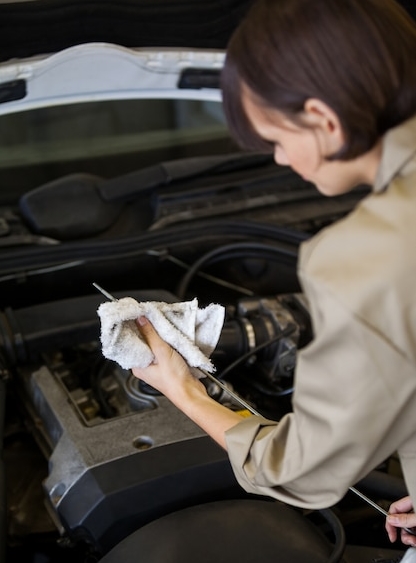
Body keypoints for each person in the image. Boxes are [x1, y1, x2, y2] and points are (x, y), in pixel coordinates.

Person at [132, 0, 416, 549]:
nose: (282, 161)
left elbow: (301, 470)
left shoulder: (369, 255)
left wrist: (183, 390)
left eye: (277, 141)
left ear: (323, 119)